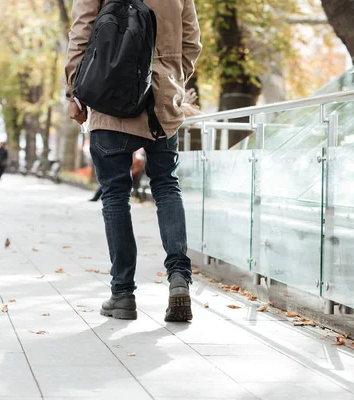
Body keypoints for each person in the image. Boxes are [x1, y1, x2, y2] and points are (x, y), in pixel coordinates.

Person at [65, 0, 201, 321]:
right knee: (166, 185)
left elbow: (82, 30)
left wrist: (74, 90)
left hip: (109, 94)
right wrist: (170, 77)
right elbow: (191, 40)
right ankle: (179, 278)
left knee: (115, 195)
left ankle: (123, 294)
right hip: (161, 101)